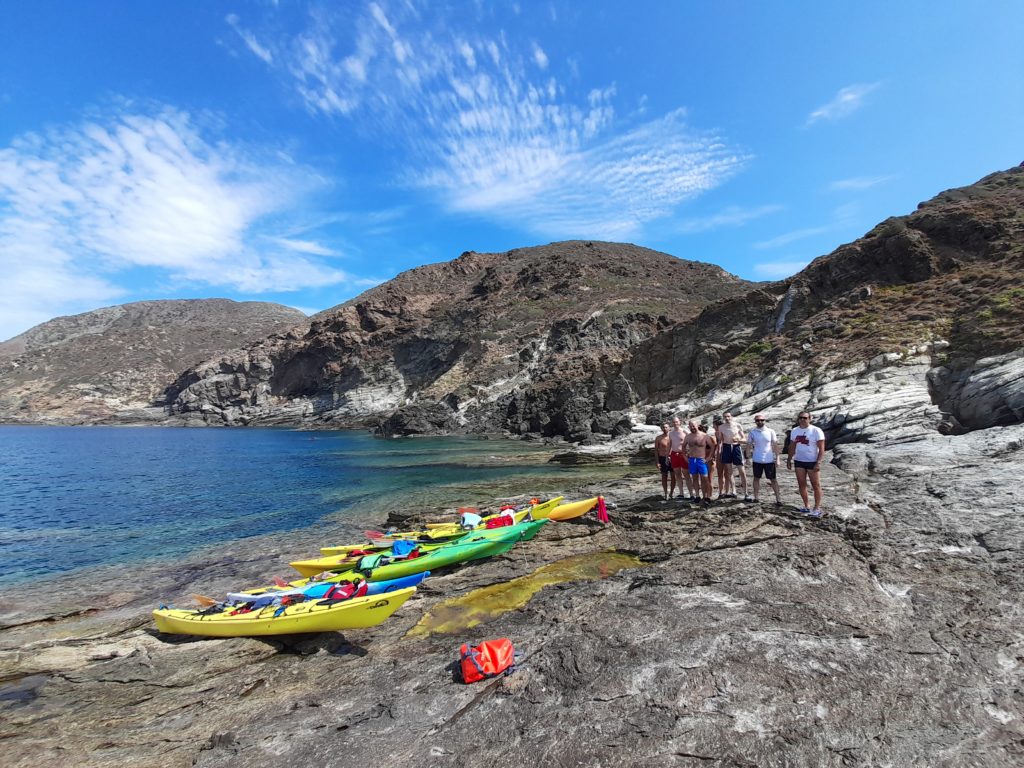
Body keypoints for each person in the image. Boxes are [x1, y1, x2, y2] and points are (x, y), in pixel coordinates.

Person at [786, 411, 825, 517]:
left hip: (812, 461)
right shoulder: (795, 430)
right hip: (799, 460)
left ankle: (817, 507)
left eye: (805, 418)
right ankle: (806, 506)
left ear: (810, 418)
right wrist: (789, 459)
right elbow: (792, 446)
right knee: (801, 484)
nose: (802, 420)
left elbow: (821, 448)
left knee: (815, 485)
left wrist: (818, 462)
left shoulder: (816, 430)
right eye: (800, 418)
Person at [746, 414, 782, 506]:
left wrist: (777, 458)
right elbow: (748, 446)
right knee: (756, 478)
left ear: (765, 420)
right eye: (757, 420)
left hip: (769, 460)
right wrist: (748, 458)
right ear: (755, 421)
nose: (760, 422)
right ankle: (756, 497)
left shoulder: (770, 431)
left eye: (762, 420)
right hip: (757, 459)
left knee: (773, 479)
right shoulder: (752, 432)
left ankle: (778, 499)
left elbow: (775, 445)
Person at [717, 411, 749, 500]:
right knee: (729, 471)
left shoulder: (737, 425)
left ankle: (746, 492)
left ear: (731, 416)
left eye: (728, 416)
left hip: (736, 447)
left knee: (741, 471)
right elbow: (720, 440)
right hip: (726, 447)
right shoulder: (721, 427)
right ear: (723, 418)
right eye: (725, 417)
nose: (727, 418)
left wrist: (738, 439)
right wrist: (719, 450)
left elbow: (744, 439)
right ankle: (733, 490)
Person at [683, 421, 714, 504]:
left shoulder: (704, 436)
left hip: (701, 460)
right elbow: (683, 448)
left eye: (693, 426)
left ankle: (706, 496)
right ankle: (697, 496)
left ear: (697, 425)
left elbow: (712, 447)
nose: (692, 427)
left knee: (705, 478)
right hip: (692, 460)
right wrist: (685, 458)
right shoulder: (688, 437)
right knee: (695, 478)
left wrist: (708, 458)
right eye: (690, 426)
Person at [668, 417, 693, 502]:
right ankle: (681, 493)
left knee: (686, 474)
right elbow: (670, 444)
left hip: (684, 454)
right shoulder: (671, 433)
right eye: (674, 422)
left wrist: (689, 453)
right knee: (677, 474)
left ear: (680, 422)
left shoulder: (685, 431)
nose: (675, 423)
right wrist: (668, 455)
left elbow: (690, 442)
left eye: (677, 422)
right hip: (674, 454)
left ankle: (691, 494)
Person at [654, 423, 675, 502]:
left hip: (672, 458)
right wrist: (657, 461)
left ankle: (671, 493)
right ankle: (666, 493)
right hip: (662, 458)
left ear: (669, 428)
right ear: (661, 428)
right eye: (663, 427)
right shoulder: (658, 438)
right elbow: (656, 450)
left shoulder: (672, 437)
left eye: (666, 427)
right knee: (664, 476)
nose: (665, 428)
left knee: (674, 476)